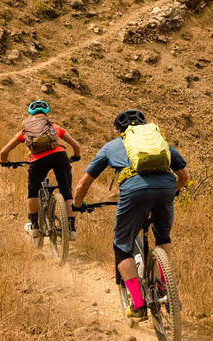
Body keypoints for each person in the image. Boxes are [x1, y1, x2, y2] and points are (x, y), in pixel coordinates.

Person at [73, 109, 190, 320]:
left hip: (134, 191)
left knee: (121, 245)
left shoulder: (110, 147)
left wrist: (78, 205)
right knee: (163, 237)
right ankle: (166, 291)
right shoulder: (159, 142)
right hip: (166, 187)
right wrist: (170, 193)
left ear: (120, 131)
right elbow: (184, 176)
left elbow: (82, 185)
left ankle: (138, 305)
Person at [0, 100, 83, 240]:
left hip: (37, 161)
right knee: (66, 192)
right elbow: (76, 146)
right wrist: (75, 157)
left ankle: (35, 227)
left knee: (33, 192)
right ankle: (71, 229)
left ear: (30, 115)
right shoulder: (54, 127)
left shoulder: (25, 131)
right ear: (46, 114)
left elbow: (4, 152)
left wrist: (5, 163)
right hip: (60, 156)